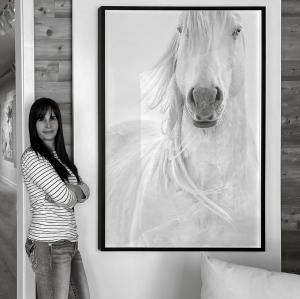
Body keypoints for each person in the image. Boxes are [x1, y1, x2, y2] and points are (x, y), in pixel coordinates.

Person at [21, 98, 90, 299]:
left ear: (59, 121)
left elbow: (85, 191)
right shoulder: (32, 157)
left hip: (69, 242)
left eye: (53, 117)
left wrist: (72, 190)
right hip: (49, 244)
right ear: (33, 125)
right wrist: (73, 191)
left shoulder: (60, 157)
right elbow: (66, 198)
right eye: (41, 119)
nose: (48, 124)